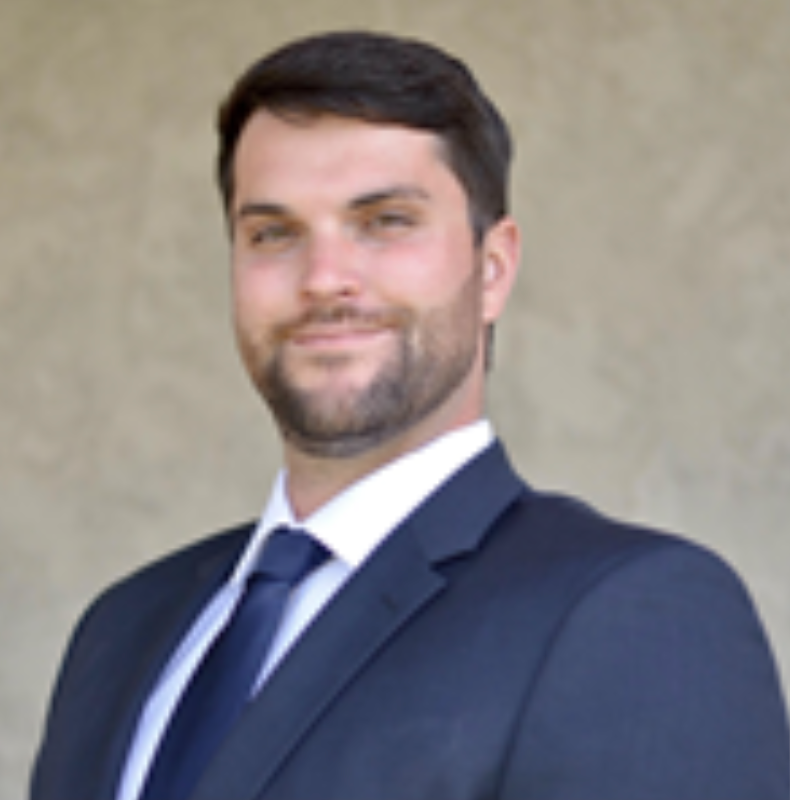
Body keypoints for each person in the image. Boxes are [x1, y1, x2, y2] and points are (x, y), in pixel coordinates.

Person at [31, 30, 789, 800]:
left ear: (491, 271)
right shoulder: (121, 630)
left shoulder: (632, 616)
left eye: (386, 221)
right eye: (273, 233)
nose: (325, 279)